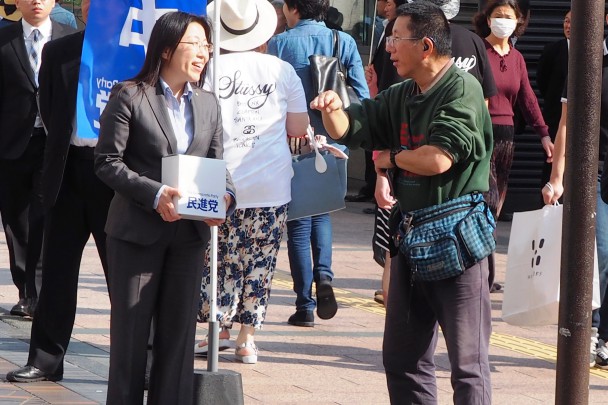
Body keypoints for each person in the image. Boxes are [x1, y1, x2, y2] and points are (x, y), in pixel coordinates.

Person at [310, 2, 494, 403]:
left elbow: (438, 158)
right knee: (402, 360)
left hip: (456, 240)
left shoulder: (461, 89)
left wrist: (390, 158)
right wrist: (333, 109)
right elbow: (350, 128)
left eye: (395, 38)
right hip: (409, 238)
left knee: (468, 366)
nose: (388, 46)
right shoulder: (401, 93)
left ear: (426, 46)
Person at [94, 11, 236, 404]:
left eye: (207, 45)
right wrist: (156, 194)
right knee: (131, 340)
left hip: (188, 238)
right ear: (168, 48)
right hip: (136, 235)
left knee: (178, 342)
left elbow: (218, 165)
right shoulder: (130, 95)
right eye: (195, 44)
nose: (204, 53)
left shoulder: (208, 104)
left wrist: (225, 197)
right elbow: (107, 162)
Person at [4, 0, 113, 384]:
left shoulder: (133, 55)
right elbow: (49, 110)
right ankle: (46, 358)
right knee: (56, 272)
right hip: (66, 170)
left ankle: (140, 361)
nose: (95, 9)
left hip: (114, 176)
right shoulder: (61, 49)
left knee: (124, 275)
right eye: (90, 2)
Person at [196, 0, 309, 364]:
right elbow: (297, 129)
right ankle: (246, 339)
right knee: (260, 262)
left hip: (220, 181)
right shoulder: (283, 70)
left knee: (218, 258)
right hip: (271, 183)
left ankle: (218, 331)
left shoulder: (211, 69)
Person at [267, 0, 369, 328]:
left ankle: (304, 305)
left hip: (294, 142)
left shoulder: (279, 44)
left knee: (298, 221)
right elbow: (362, 96)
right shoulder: (345, 42)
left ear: (292, 9)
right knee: (321, 213)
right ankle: (324, 275)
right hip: (333, 140)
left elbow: (269, 98)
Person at [0, 0, 75, 318]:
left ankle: (38, 292)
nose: (36, 2)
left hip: (55, 142)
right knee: (17, 221)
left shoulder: (71, 39)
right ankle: (24, 289)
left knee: (46, 216)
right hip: (12, 143)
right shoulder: (4, 40)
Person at [544, 12, 608, 371]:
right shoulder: (588, 60)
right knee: (600, 252)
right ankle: (592, 331)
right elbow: (565, 125)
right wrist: (557, 177)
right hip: (596, 173)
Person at [473, 0, 553, 218]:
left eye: (508, 17)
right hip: (480, 132)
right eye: (498, 16)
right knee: (484, 193)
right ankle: (478, 241)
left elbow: (528, 99)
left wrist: (543, 134)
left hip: (506, 134)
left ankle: (488, 238)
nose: (503, 21)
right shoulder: (478, 50)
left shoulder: (517, 58)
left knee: (499, 192)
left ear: (518, 21)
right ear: (488, 20)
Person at [537, 10, 570, 195]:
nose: (568, 25)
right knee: (551, 162)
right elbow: (542, 81)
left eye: (573, 21)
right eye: (566, 21)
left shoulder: (596, 52)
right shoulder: (553, 49)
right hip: (556, 115)